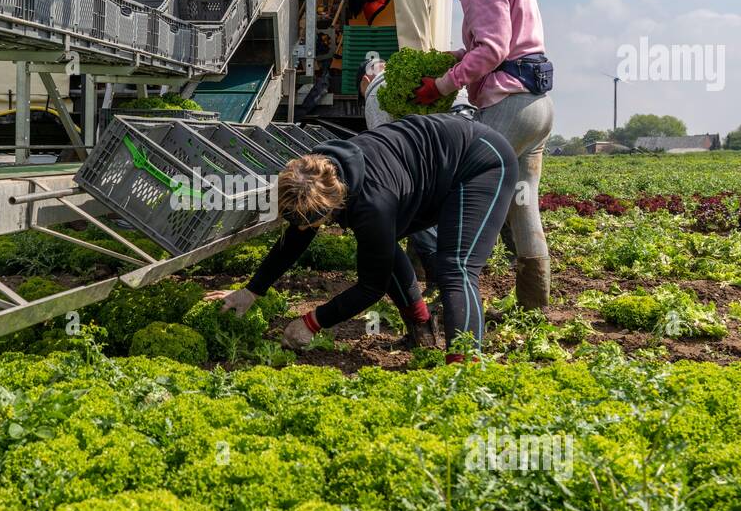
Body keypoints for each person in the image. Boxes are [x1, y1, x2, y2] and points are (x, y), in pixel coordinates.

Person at [210, 114, 517, 360]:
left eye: (311, 223)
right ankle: (421, 328)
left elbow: (372, 286)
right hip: (434, 169)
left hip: (481, 162)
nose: (303, 230)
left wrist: (313, 321)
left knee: (455, 267)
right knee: (380, 246)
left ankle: (465, 371)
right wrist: (252, 290)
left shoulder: (373, 205)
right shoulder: (318, 170)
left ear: (332, 207)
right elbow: (299, 232)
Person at [413, 0, 555, 310]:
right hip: (537, 106)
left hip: (507, 105)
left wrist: (441, 85)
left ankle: (448, 294)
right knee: (522, 204)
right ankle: (534, 307)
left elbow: (492, 51)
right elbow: (506, 46)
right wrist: (457, 57)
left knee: (457, 192)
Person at [359, 55, 439, 293]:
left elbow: (385, 150)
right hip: (463, 138)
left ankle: (438, 282)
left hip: (430, 157)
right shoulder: (406, 77)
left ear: (365, 80)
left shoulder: (375, 91)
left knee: (414, 201)